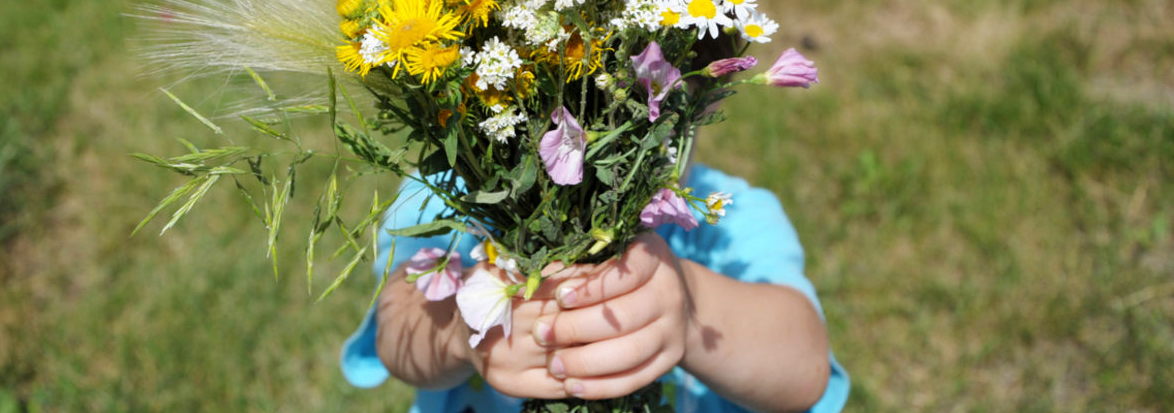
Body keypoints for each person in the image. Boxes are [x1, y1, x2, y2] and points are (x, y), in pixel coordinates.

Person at [341, 162, 850, 413]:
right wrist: (461, 328)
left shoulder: (731, 219)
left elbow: (805, 370)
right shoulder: (443, 197)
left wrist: (689, 310)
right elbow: (397, 334)